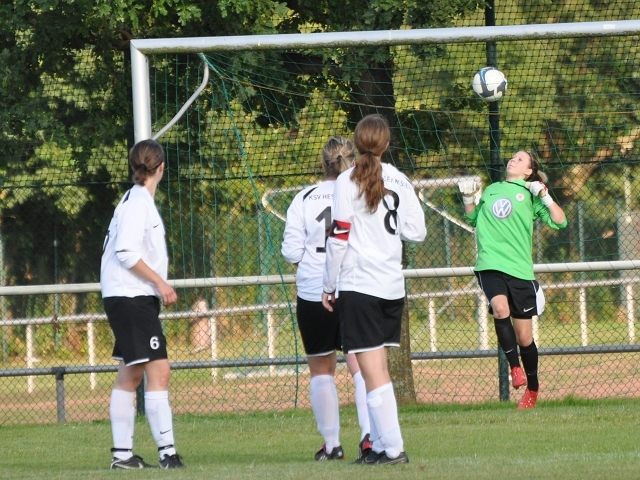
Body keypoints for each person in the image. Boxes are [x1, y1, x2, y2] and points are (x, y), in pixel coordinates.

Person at [321, 114, 427, 466]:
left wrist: (328, 285)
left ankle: (393, 450)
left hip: (360, 285)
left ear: (357, 142)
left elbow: (339, 236)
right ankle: (380, 446)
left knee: (373, 372)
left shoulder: (346, 180)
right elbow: (417, 231)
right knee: (375, 370)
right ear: (387, 143)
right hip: (391, 286)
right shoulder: (401, 179)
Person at [282, 136, 372, 461]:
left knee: (321, 370)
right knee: (363, 367)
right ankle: (370, 438)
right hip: (352, 287)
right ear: (354, 161)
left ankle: (332, 445)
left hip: (312, 291)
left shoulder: (303, 198)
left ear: (323, 164)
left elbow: (291, 251)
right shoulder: (362, 194)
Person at [458, 150, 568, 409]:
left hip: (519, 270)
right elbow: (473, 218)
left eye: (520, 159)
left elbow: (560, 221)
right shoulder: (492, 189)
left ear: (529, 171)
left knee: (525, 338)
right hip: (489, 264)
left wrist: (545, 195)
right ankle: (515, 368)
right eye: (513, 157)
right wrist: (468, 199)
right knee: (500, 309)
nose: (513, 160)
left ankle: (533, 389)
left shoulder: (531, 194)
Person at [101, 138, 185, 469]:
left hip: (128, 296)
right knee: (159, 372)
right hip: (130, 296)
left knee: (131, 373)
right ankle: (168, 454)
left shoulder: (137, 200)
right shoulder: (137, 203)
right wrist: (160, 283)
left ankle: (123, 456)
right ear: (161, 167)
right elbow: (126, 252)